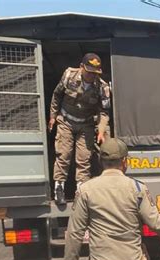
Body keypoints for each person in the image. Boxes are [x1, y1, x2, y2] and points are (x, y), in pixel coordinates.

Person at [48, 53, 111, 204]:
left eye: (95, 73)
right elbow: (57, 95)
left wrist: (101, 131)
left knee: (84, 158)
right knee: (64, 154)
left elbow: (104, 111)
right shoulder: (69, 75)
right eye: (89, 71)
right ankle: (59, 188)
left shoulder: (102, 87)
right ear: (81, 67)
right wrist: (52, 116)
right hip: (66, 120)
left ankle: (81, 191)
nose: (91, 75)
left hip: (86, 124)